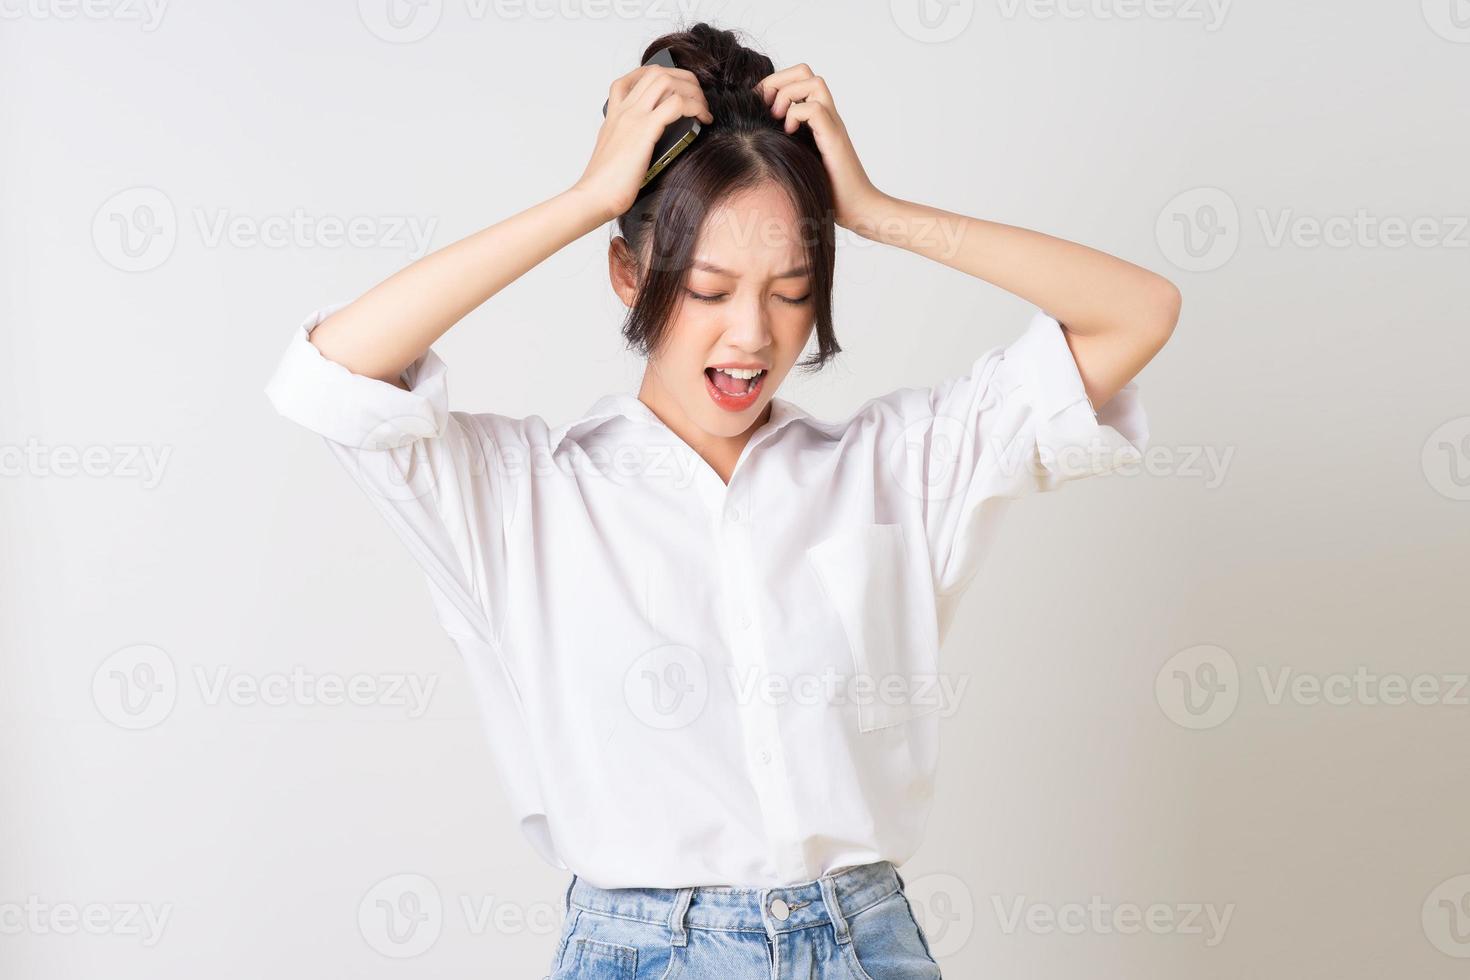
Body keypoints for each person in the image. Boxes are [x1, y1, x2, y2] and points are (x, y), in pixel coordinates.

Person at [264, 21, 1179, 980]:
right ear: (631, 275)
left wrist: (872, 210)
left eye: (792, 289)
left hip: (866, 947)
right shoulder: (523, 496)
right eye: (707, 288)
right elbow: (330, 374)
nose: (752, 335)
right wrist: (588, 200)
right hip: (640, 955)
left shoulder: (897, 468)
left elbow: (1138, 310)